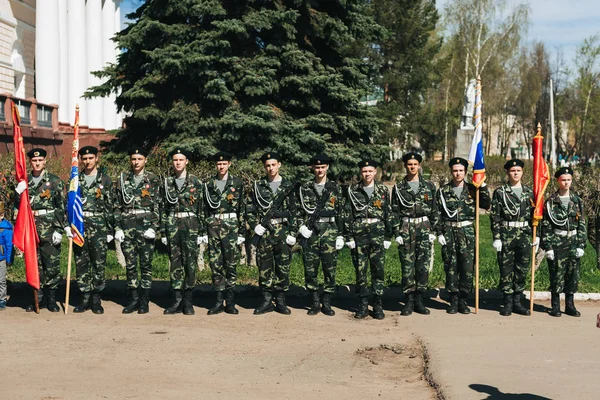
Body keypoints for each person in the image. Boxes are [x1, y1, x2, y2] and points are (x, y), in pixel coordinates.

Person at [14, 148, 68, 312]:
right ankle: (39, 298)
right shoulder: (25, 181)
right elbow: (18, 207)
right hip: (31, 228)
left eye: (40, 160)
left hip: (49, 228)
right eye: (34, 161)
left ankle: (51, 300)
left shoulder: (55, 181)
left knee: (51, 265)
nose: (37, 163)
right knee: (34, 265)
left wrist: (59, 229)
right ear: (30, 162)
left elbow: (61, 207)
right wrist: (18, 192)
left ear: (45, 161)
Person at [436, 157, 490, 314]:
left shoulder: (473, 190)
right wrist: (439, 232)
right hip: (449, 232)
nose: (458, 173)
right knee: (451, 266)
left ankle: (463, 300)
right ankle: (453, 300)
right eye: (455, 170)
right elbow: (437, 213)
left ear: (465, 172)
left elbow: (486, 204)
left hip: (466, 233)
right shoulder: (443, 191)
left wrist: (483, 186)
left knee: (467, 268)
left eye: (460, 170)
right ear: (451, 171)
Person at [247, 152, 298, 315]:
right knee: (264, 267)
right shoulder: (258, 186)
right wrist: (254, 225)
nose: (270, 168)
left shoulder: (289, 186)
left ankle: (281, 301)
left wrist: (293, 232)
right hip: (265, 233)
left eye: (273, 164)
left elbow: (295, 211)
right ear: (264, 167)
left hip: (283, 231)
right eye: (267, 165)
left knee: (283, 267)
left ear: (279, 165)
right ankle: (267, 300)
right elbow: (250, 208)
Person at [343, 159, 393, 320]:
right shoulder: (353, 190)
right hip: (359, 235)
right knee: (360, 270)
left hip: (377, 233)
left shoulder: (383, 190)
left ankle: (378, 304)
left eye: (370, 171)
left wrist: (387, 236)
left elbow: (388, 214)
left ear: (375, 172)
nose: (367, 174)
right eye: (364, 171)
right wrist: (348, 236)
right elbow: (347, 214)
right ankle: (363, 304)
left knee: (378, 270)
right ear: (360, 173)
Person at [114, 147, 161, 314]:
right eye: (133, 159)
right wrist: (118, 227)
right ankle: (133, 299)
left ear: (145, 160)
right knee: (131, 265)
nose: (136, 162)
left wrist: (154, 227)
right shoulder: (123, 179)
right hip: (127, 227)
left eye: (139, 159)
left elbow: (158, 205)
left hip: (145, 226)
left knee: (146, 265)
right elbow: (117, 205)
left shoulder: (153, 179)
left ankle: (144, 301)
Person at [391, 152, 439, 316]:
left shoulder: (429, 187)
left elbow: (435, 210)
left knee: (423, 265)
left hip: (424, 227)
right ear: (405, 166)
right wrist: (397, 231)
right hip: (406, 228)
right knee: (407, 265)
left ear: (419, 166)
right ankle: (408, 300)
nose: (412, 167)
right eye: (409, 164)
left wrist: (434, 230)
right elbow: (394, 212)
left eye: (415, 164)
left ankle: (419, 300)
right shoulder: (398, 187)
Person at [297, 154, 344, 316]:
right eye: (317, 167)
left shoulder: (335, 188)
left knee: (329, 268)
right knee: (310, 268)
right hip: (311, 232)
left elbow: (342, 212)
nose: (320, 170)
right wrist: (301, 227)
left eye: (322, 167)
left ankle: (327, 302)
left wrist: (340, 234)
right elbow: (297, 211)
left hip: (330, 230)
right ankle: (315, 302)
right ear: (312, 168)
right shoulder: (305, 188)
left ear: (327, 168)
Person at [201, 151, 246, 315]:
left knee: (231, 264)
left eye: (224, 163)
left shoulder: (237, 183)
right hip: (213, 226)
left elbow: (242, 207)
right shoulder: (209, 184)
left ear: (229, 164)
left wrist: (241, 231)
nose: (221, 166)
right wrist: (204, 229)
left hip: (231, 226)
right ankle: (218, 302)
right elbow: (204, 209)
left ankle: (231, 302)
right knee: (216, 264)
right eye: (219, 164)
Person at [490, 159, 537, 316]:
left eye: (518, 170)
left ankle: (518, 301)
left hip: (524, 234)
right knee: (506, 269)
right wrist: (496, 237)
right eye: (512, 171)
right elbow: (495, 216)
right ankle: (507, 302)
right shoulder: (500, 192)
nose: (516, 173)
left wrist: (537, 236)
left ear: (522, 172)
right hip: (506, 234)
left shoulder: (529, 192)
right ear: (507, 172)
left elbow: (535, 216)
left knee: (522, 269)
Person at [72, 146, 115, 314]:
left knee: (98, 262)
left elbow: (111, 206)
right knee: (81, 262)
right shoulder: (76, 181)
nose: (88, 161)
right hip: (80, 225)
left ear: (97, 158)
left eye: (91, 157)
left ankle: (96, 298)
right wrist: (69, 225)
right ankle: (84, 297)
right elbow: (69, 204)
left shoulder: (105, 180)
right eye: (85, 158)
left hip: (99, 225)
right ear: (81, 160)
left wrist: (111, 229)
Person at [160, 149, 203, 316]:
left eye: (181, 159)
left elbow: (201, 208)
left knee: (190, 261)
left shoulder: (195, 182)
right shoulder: (167, 182)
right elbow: (162, 207)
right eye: (175, 160)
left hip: (190, 223)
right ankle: (177, 299)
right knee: (175, 261)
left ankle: (188, 300)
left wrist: (202, 231)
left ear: (187, 162)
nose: (178, 163)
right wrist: (163, 231)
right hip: (172, 223)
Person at [540, 167, 587, 317]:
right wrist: (548, 247)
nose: (566, 183)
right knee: (556, 274)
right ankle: (555, 306)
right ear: (557, 181)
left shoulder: (577, 201)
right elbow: (546, 226)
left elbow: (582, 224)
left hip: (573, 240)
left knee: (572, 274)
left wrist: (581, 244)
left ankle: (570, 305)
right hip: (557, 241)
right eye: (563, 180)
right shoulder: (551, 202)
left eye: (569, 180)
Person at [0, 202, 13, 310]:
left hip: (1, 258)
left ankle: (2, 299)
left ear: (2, 215)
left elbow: (9, 245)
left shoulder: (6, 228)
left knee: (1, 280)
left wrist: (9, 259)